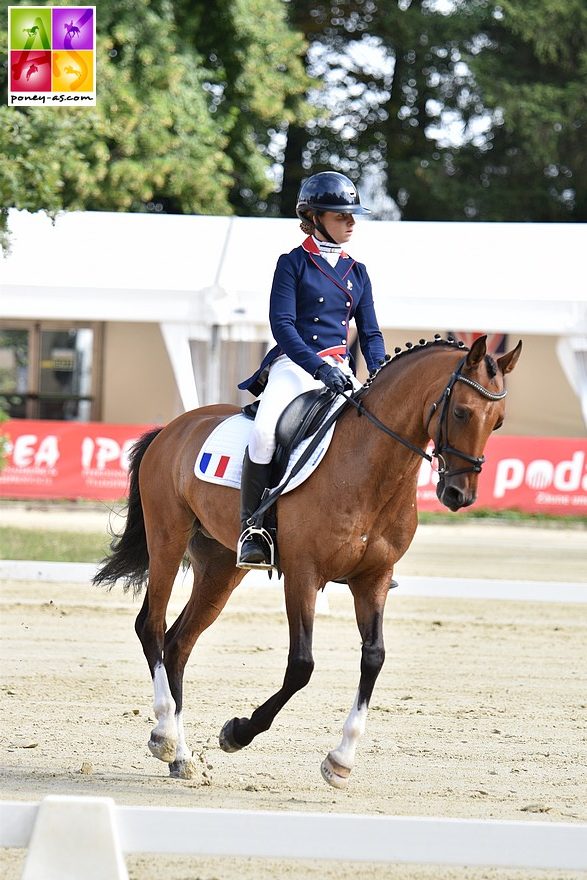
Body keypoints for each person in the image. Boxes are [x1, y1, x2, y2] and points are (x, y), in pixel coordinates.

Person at [236, 170, 386, 568]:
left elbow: (370, 333)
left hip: (340, 369)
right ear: (315, 216)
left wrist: (380, 372)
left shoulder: (358, 272)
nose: (352, 223)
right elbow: (282, 326)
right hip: (296, 365)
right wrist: (319, 369)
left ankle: (367, 536)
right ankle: (254, 528)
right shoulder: (293, 264)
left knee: (372, 436)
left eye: (353, 216)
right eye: (342, 216)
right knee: (264, 434)